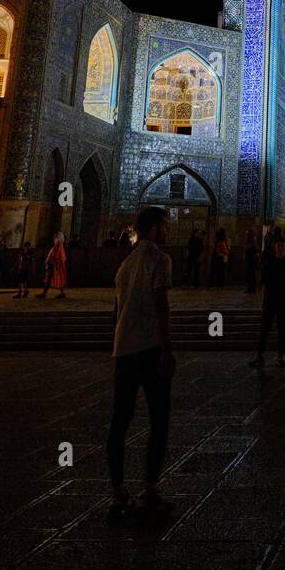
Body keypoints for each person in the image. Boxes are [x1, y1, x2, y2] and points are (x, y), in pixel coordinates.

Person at [106, 205, 175, 523]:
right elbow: (162, 307)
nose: (167, 229)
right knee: (159, 418)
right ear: (153, 230)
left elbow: (116, 310)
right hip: (148, 347)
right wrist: (166, 349)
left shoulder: (125, 264)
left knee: (120, 421)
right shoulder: (160, 260)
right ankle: (149, 488)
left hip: (124, 349)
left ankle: (119, 491)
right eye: (164, 225)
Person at [249, 234, 285, 367]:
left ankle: (280, 355)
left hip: (284, 299)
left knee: (282, 328)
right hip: (270, 299)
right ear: (274, 247)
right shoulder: (269, 263)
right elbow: (264, 284)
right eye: (278, 245)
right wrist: (263, 301)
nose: (281, 247)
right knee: (265, 329)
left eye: (282, 245)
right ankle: (260, 355)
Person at [38, 231, 67, 299]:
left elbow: (56, 255)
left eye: (55, 236)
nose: (54, 237)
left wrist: (51, 261)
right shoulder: (57, 244)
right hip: (54, 263)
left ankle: (44, 293)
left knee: (50, 278)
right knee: (51, 277)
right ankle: (61, 293)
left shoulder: (58, 244)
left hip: (54, 264)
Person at [244, 229, 259, 294]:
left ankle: (251, 288)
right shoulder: (253, 241)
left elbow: (248, 248)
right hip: (251, 259)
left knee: (251, 274)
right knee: (251, 274)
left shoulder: (251, 241)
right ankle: (251, 288)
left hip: (250, 260)